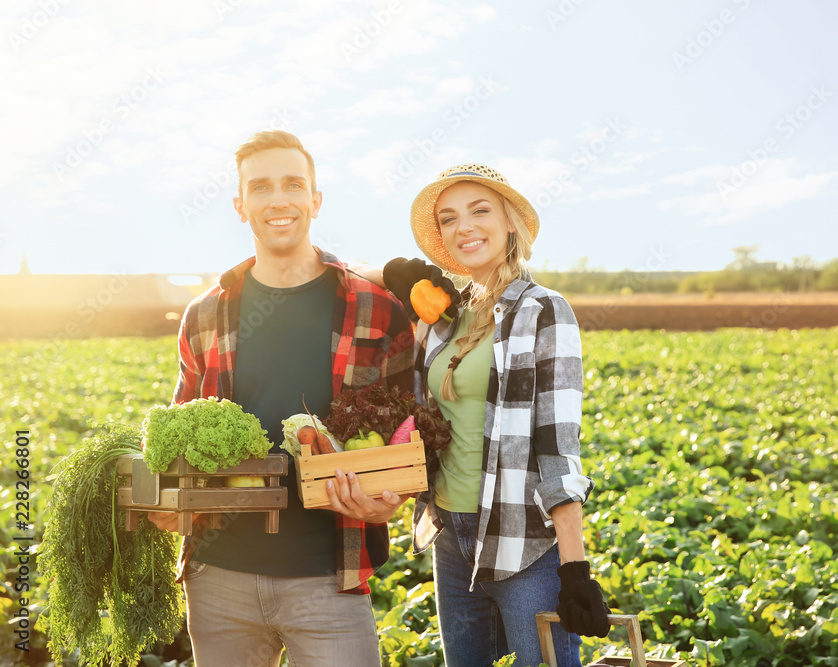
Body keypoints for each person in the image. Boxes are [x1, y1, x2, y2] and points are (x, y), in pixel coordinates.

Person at [147, 129, 414, 667]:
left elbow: (408, 435)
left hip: (331, 576)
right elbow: (179, 423)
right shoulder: (205, 313)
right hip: (219, 576)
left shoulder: (377, 309)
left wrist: (390, 499)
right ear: (240, 204)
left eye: (293, 184)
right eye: (261, 186)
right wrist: (163, 497)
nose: (278, 199)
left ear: (315, 200)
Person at [380, 164, 611, 667]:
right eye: (449, 218)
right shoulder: (444, 318)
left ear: (509, 222)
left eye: (479, 211)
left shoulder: (544, 310)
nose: (464, 227)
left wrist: (574, 570)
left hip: (523, 542)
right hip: (451, 536)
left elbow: (557, 446)